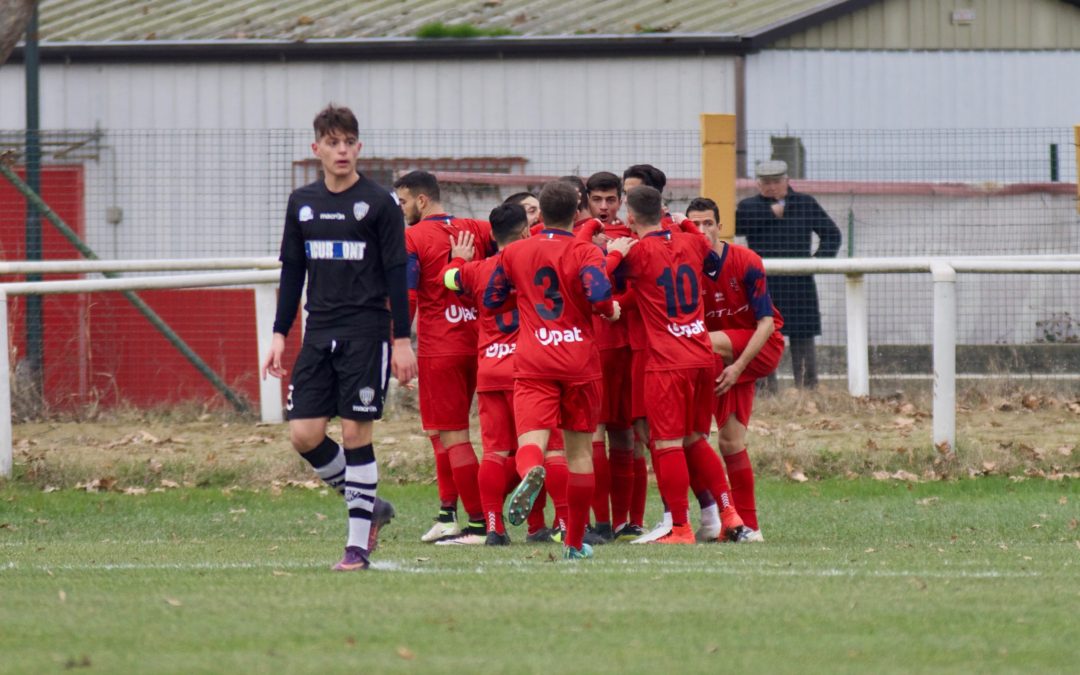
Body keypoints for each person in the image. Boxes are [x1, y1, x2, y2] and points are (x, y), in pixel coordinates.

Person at [261, 104, 417, 571]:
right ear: (317, 150)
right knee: (304, 434)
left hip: (367, 333)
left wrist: (402, 338)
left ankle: (356, 547)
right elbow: (293, 272)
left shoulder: (380, 203)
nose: (342, 150)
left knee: (354, 434)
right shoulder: (302, 202)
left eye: (349, 142)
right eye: (333, 143)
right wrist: (278, 334)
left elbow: (395, 272)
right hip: (318, 332)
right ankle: (373, 506)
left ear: (359, 148)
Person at [606, 186, 751, 544]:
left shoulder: (635, 254)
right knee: (696, 439)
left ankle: (680, 527)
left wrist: (611, 253)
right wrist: (683, 223)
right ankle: (730, 516)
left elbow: (597, 285)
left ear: (630, 219)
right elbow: (704, 250)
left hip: (667, 362)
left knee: (667, 443)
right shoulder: (695, 243)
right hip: (703, 355)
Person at [484, 181, 621, 560]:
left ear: (540, 214)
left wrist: (523, 293)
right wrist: (611, 311)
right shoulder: (586, 251)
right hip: (579, 363)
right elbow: (598, 297)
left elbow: (491, 299)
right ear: (577, 212)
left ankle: (531, 472)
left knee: (532, 443)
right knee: (579, 454)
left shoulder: (516, 252)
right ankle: (574, 543)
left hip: (534, 362)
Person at [395, 170, 494, 545]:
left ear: (421, 201)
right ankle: (448, 515)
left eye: (403, 201)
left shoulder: (412, 238)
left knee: (451, 435)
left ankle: (478, 524)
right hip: (482, 343)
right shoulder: (478, 229)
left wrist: (398, 340)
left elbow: (407, 297)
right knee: (444, 434)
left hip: (442, 348)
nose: (401, 209)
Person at [440, 203, 538, 546]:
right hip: (527, 369)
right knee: (538, 448)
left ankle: (494, 528)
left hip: (490, 369)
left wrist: (458, 258)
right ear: (525, 232)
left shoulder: (478, 270)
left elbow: (448, 279)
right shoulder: (533, 263)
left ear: (493, 236)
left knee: (495, 451)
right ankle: (541, 526)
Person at [690, 197, 785, 542]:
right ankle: (749, 528)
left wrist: (738, 366)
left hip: (759, 350)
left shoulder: (746, 261)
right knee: (730, 442)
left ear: (719, 225)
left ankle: (709, 519)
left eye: (708, 223)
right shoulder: (687, 266)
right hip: (723, 360)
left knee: (699, 340)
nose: (701, 231)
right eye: (695, 224)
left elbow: (766, 324)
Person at [736, 160, 841, 389]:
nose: (771, 187)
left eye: (776, 182)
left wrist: (817, 261)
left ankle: (807, 391)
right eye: (766, 182)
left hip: (799, 283)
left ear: (787, 181)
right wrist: (769, 213)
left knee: (803, 337)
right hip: (763, 284)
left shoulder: (805, 204)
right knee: (761, 336)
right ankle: (765, 393)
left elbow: (832, 234)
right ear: (757, 183)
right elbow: (735, 227)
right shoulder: (749, 206)